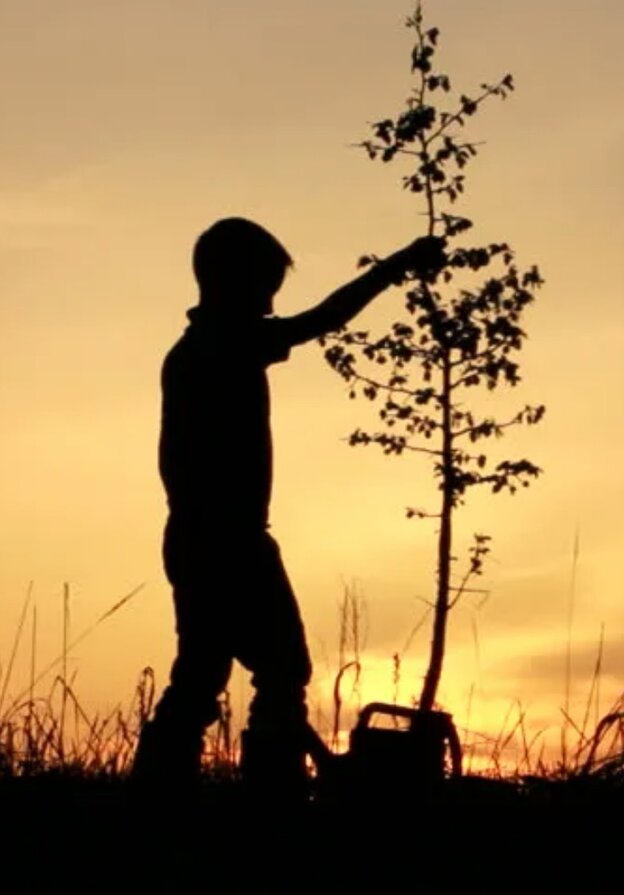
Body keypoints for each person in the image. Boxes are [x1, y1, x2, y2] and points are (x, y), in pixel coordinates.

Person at [130, 217, 445, 799]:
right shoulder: (226, 343)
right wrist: (398, 265)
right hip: (229, 539)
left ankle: (160, 794)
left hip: (199, 537)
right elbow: (323, 320)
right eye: (265, 289)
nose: (271, 305)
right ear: (233, 283)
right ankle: (270, 795)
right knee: (278, 671)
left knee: (203, 676)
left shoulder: (197, 348)